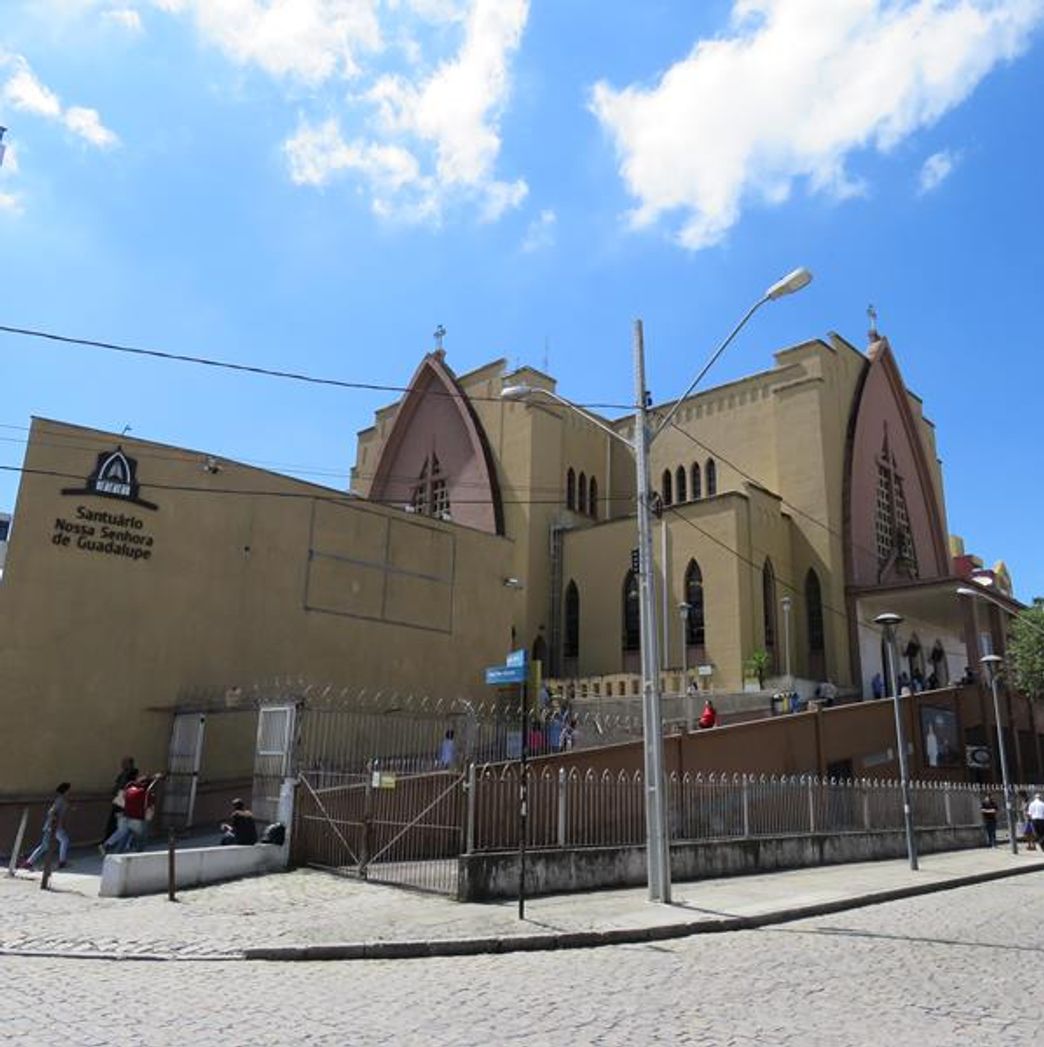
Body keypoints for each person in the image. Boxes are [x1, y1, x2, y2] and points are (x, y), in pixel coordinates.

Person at [102, 773, 161, 854]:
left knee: (123, 834)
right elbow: (149, 809)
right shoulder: (147, 793)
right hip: (137, 819)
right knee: (141, 838)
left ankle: (110, 847)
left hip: (125, 815)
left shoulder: (129, 787)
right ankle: (138, 853)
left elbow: (119, 800)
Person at [21, 783, 72, 870]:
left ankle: (29, 862)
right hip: (54, 826)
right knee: (65, 841)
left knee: (44, 846)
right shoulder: (60, 800)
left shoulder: (61, 800)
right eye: (68, 790)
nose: (70, 792)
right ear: (65, 791)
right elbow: (51, 811)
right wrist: (54, 820)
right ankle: (62, 861)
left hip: (51, 826)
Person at [103, 755, 139, 842]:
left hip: (124, 799)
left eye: (124, 763)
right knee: (113, 820)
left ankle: (115, 840)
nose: (122, 765)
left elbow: (128, 786)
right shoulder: (123, 774)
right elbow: (118, 785)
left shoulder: (132, 774)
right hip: (119, 798)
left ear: (130, 764)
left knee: (122, 821)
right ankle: (109, 838)